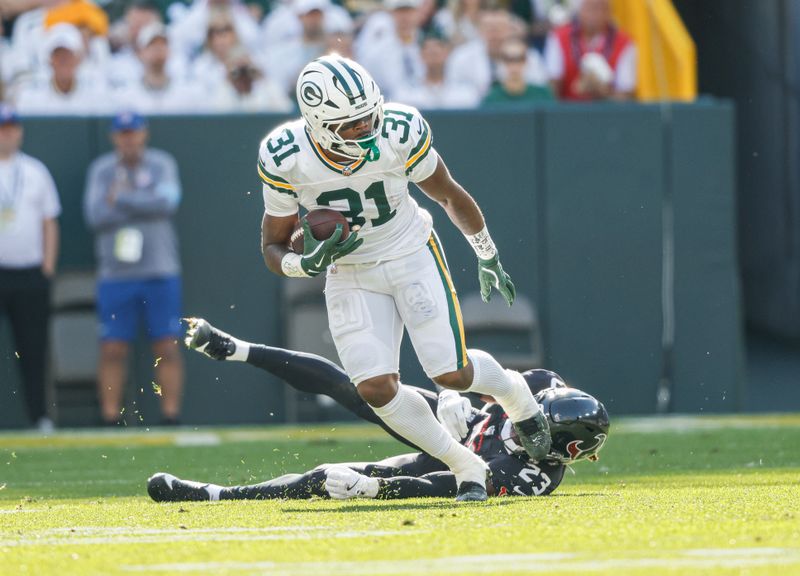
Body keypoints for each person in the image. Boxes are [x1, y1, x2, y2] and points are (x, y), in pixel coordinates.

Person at [258, 54, 551, 502]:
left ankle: (518, 397)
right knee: (375, 389)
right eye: (352, 124)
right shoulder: (286, 156)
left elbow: (449, 194)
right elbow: (273, 246)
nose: (367, 128)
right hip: (350, 269)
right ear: (318, 125)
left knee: (452, 373)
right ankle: (465, 466)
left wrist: (486, 252)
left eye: (370, 115)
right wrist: (306, 264)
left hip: (410, 250)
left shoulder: (399, 129)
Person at [146, 317, 609, 502]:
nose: (526, 420)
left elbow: (436, 485)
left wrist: (374, 489)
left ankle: (215, 496)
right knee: (359, 389)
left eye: (535, 428)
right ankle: (236, 348)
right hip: (461, 420)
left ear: (559, 451)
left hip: (453, 457)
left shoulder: (532, 477)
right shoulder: (545, 385)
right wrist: (451, 394)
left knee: (328, 477)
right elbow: (487, 375)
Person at [83, 111, 184, 426]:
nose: (128, 139)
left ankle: (170, 415)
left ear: (144, 134)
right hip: (116, 274)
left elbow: (167, 203)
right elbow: (95, 214)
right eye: (122, 133)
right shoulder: (101, 170)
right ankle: (110, 417)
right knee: (112, 347)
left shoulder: (162, 164)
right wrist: (143, 202)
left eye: (133, 132)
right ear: (114, 137)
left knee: (166, 344)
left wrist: (122, 199)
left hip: (160, 271)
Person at [0, 104, 60, 432]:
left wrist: (46, 267)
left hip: (30, 274)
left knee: (33, 349)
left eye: (11, 126)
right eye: (2, 127)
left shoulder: (35, 171)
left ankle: (40, 416)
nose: (7, 132)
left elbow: (50, 221)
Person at [544, 0, 636, 101]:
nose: (595, 14)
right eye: (590, 8)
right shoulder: (559, 37)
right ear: (580, 10)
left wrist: (602, 92)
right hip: (568, 111)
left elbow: (626, 95)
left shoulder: (624, 43)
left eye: (601, 8)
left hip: (608, 113)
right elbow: (552, 88)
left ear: (609, 12)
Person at [482, 38, 554, 105]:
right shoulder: (492, 98)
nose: (514, 65)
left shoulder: (542, 95)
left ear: (526, 61)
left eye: (520, 59)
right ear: (501, 61)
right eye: (508, 59)